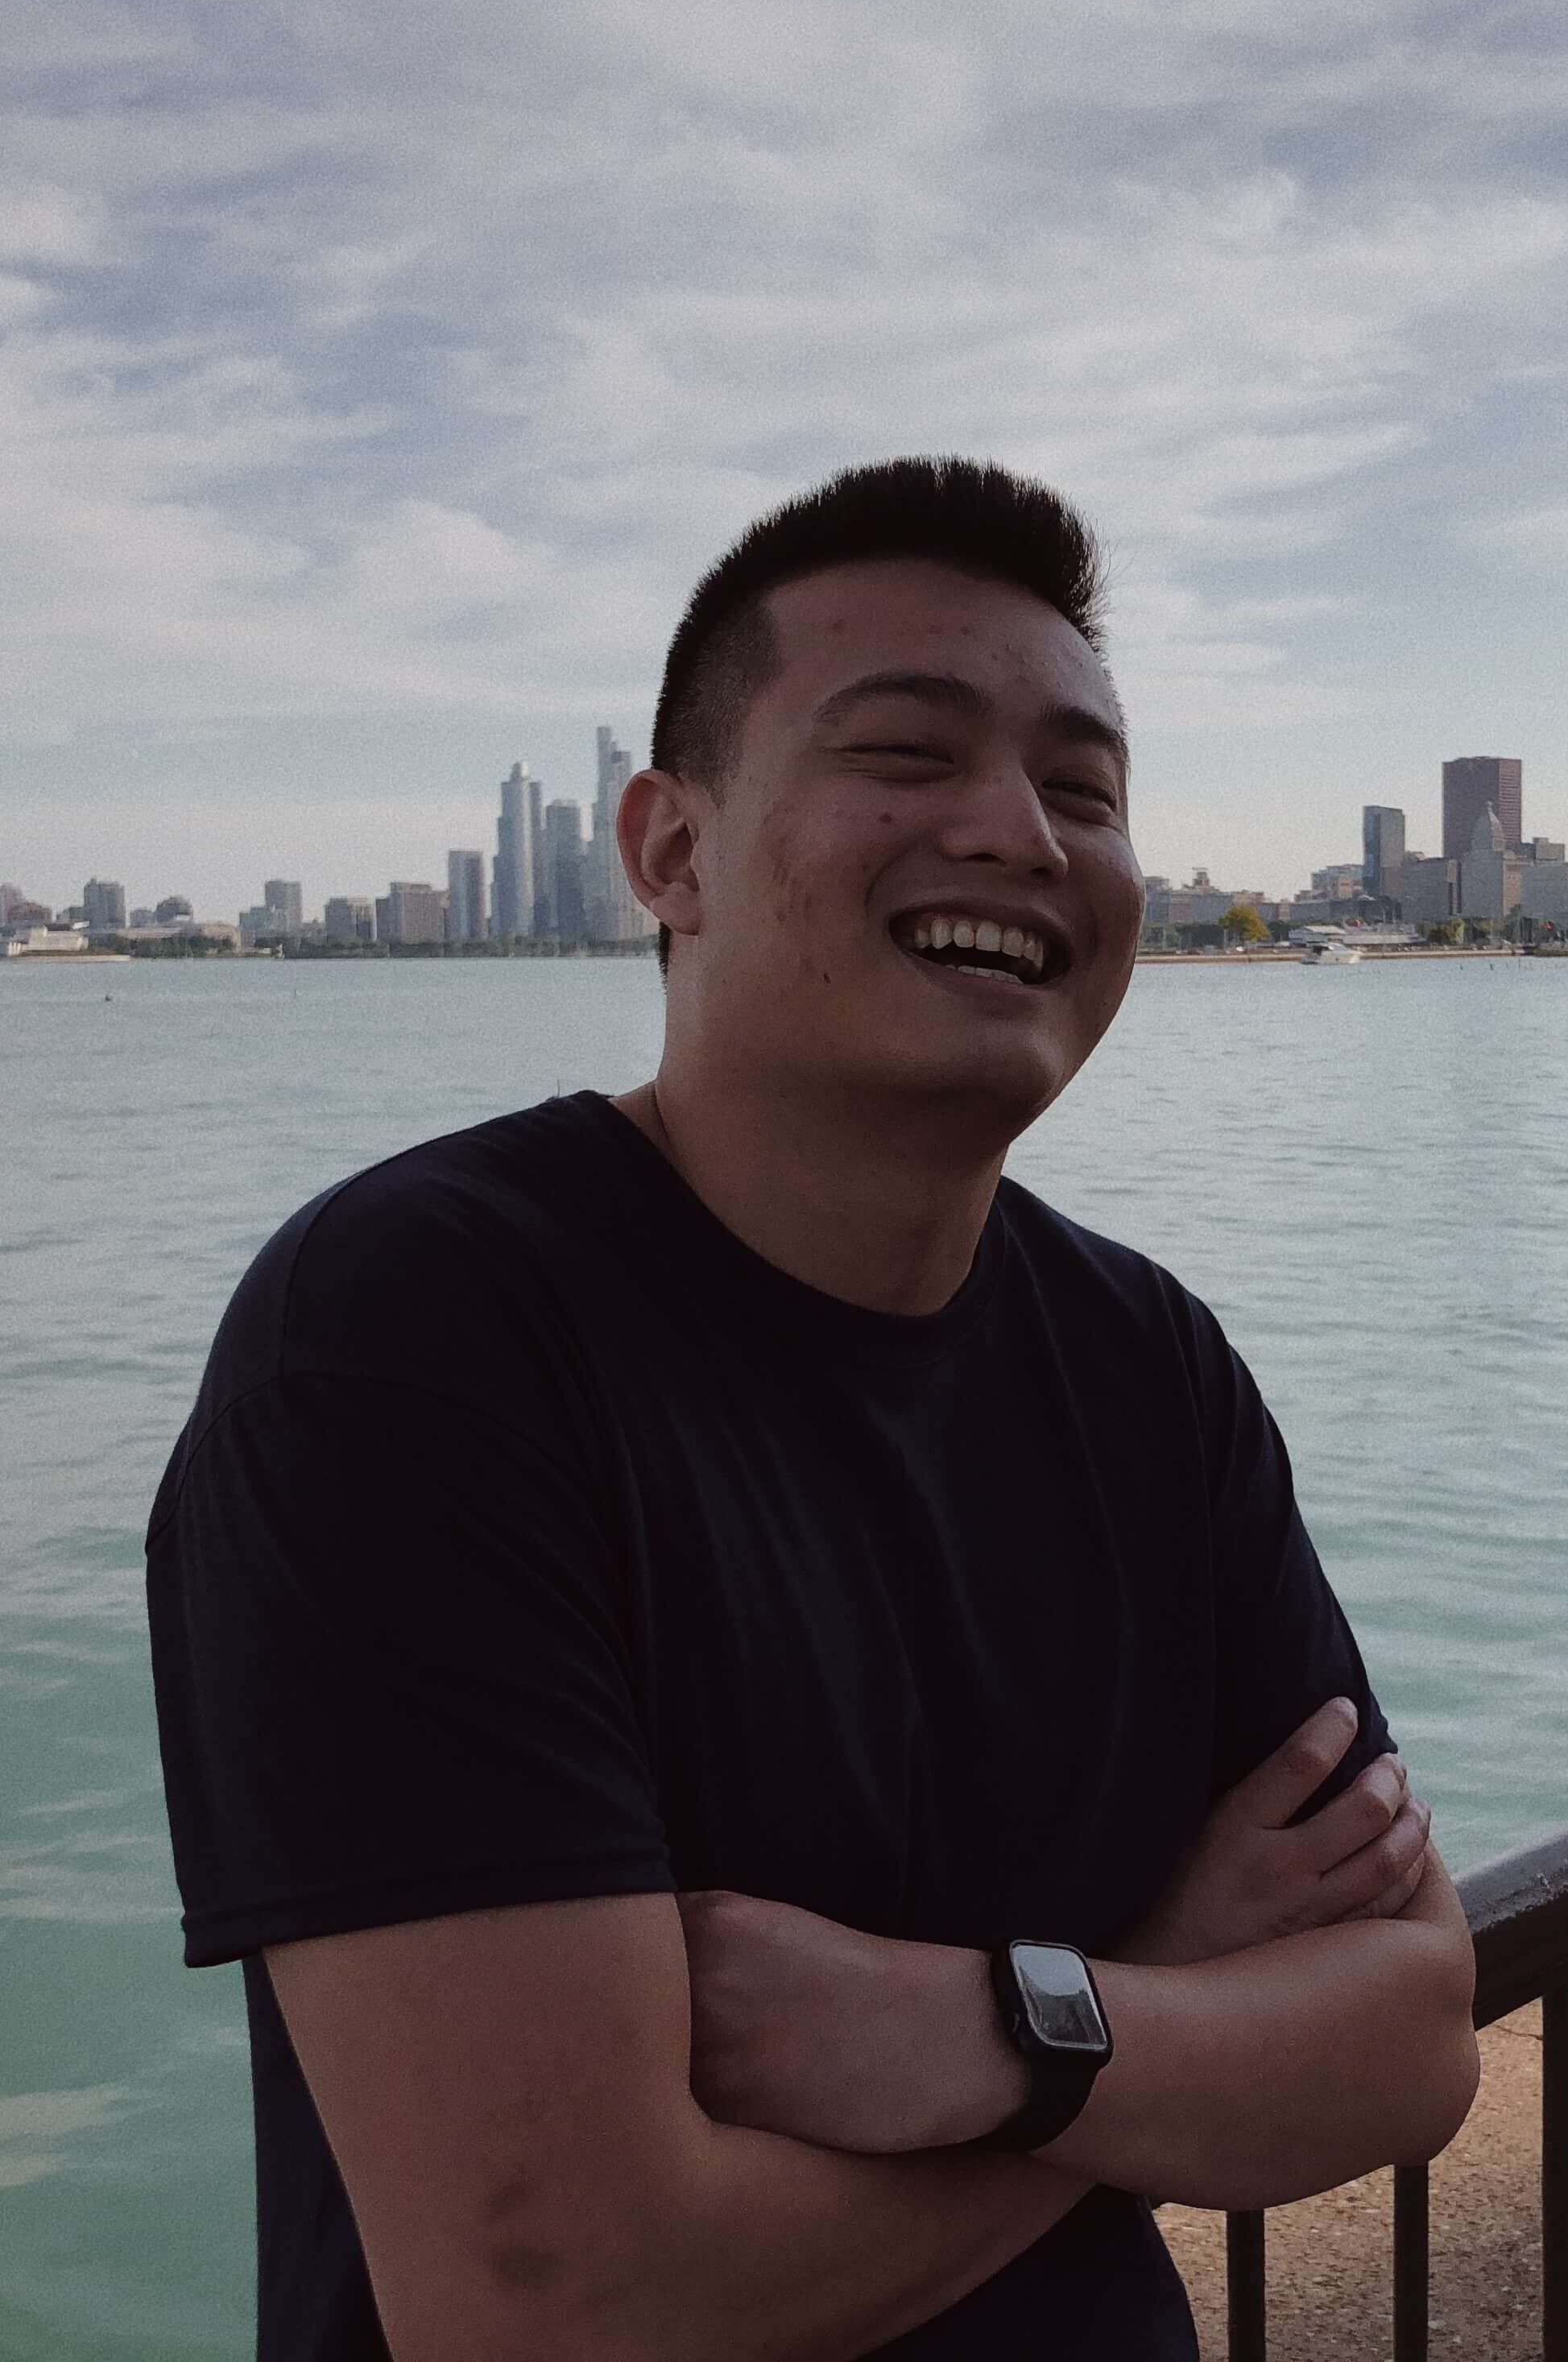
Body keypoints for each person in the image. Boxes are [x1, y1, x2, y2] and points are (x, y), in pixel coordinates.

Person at [147, 456, 1479, 2360]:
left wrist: (983, 2031)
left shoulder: (1149, 1365)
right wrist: (1146, 2004)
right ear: (668, 852)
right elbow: (564, 2306)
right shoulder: (409, 1340)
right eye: (911, 756)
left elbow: (1415, 2030)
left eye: (1082, 789)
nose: (1020, 833)